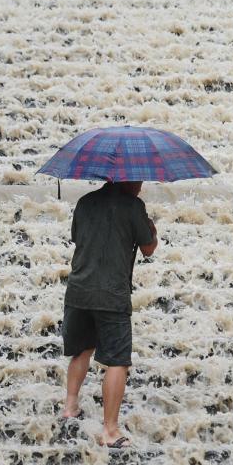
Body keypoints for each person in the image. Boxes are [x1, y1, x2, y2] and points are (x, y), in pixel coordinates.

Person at [59, 179, 158, 449]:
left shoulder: (85, 202)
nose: (141, 184)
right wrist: (150, 228)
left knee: (82, 348)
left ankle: (70, 406)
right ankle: (110, 431)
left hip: (79, 290)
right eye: (138, 179)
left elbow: (79, 237)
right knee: (117, 361)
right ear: (127, 179)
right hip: (112, 295)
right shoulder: (133, 207)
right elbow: (149, 249)